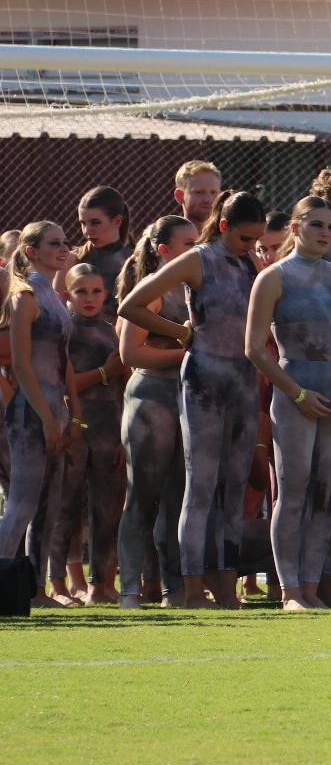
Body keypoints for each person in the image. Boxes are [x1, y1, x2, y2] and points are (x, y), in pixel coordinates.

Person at [122, 190, 266, 607]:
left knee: (234, 486)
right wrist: (183, 334)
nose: (250, 247)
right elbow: (131, 305)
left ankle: (226, 589)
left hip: (240, 378)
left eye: (256, 240)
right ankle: (188, 588)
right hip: (203, 378)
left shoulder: (251, 262)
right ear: (223, 227)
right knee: (200, 485)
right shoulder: (196, 259)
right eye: (243, 238)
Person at [245, 196, 331, 610]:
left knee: (327, 493)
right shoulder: (273, 277)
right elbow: (256, 349)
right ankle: (290, 591)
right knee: (293, 492)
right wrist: (296, 393)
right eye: (316, 224)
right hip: (294, 391)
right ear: (295, 228)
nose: (325, 233)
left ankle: (312, 589)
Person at [114, 216, 197, 609]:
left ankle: (174, 591)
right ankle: (129, 590)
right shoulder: (154, 291)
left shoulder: (192, 288)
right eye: (188, 244)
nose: (197, 250)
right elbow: (131, 354)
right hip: (151, 397)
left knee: (178, 497)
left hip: (184, 397)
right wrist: (191, 350)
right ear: (164, 251)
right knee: (142, 497)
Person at [0, 222, 81, 606]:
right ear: (31, 251)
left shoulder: (55, 297)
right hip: (30, 413)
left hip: (56, 411)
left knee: (50, 503)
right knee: (23, 502)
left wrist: (73, 415)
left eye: (65, 242)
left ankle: (34, 591)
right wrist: (47, 419)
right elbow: (22, 365)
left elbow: (63, 364)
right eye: (54, 244)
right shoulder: (25, 297)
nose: (64, 249)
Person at [51, 263, 127, 605]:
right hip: (73, 425)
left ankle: (101, 584)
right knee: (65, 506)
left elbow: (126, 383)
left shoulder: (114, 332)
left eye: (96, 291)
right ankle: (58, 584)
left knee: (108, 508)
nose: (90, 298)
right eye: (81, 291)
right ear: (68, 294)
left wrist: (126, 436)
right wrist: (103, 371)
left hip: (111, 427)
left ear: (107, 294)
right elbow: (66, 387)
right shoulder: (63, 332)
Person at [69, 187, 134, 318]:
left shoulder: (134, 261)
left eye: (95, 223)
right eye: (83, 223)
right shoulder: (72, 260)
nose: (87, 231)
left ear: (117, 221)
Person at [173, 160, 222, 229]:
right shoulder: (167, 237)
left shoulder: (230, 237)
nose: (208, 199)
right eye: (199, 192)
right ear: (180, 196)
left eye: (213, 192)